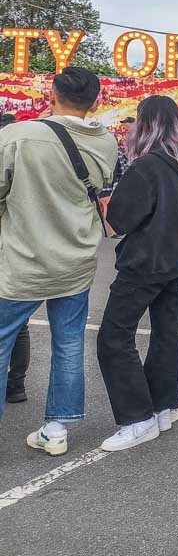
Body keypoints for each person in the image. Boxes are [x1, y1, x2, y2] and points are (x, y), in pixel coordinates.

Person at [0, 68, 117, 455]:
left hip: (22, 259)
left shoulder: (17, 136)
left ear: (51, 94)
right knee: (68, 342)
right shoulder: (106, 142)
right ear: (96, 101)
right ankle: (57, 428)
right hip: (76, 258)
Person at [95, 96, 178, 452]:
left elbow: (119, 220)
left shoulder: (145, 167)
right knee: (165, 334)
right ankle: (160, 407)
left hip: (144, 262)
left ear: (144, 125)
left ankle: (136, 417)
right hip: (176, 260)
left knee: (114, 338)